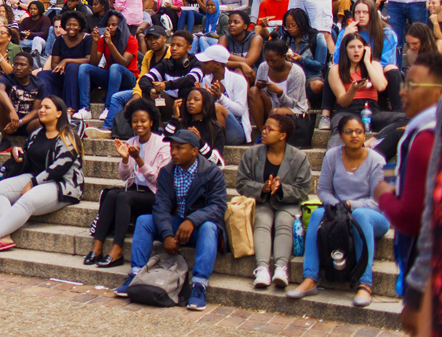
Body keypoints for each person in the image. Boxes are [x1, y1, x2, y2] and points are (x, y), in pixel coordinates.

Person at [114, 128, 227, 311]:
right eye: (172, 147)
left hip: (198, 226)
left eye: (179, 148)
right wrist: (167, 234)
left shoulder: (212, 173)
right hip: (175, 222)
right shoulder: (168, 171)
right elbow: (161, 205)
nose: (173, 152)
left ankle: (199, 285)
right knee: (144, 221)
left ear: (194, 150)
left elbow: (218, 207)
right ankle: (136, 275)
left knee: (209, 227)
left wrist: (192, 221)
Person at [286, 114, 388, 307]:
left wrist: (349, 206)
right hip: (339, 212)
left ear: (364, 135)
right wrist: (337, 207)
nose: (354, 136)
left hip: (373, 217)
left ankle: (365, 284)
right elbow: (323, 191)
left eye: (359, 132)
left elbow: (378, 202)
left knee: (359, 215)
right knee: (316, 214)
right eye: (348, 132)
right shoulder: (332, 156)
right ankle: (310, 278)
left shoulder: (376, 161)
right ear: (340, 135)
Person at [0, 96, 84, 254]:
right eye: (41, 107)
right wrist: (17, 152)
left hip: (63, 184)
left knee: (27, 199)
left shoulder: (68, 137)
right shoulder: (37, 133)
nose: (42, 110)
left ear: (59, 113)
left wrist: (33, 183)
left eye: (47, 107)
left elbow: (59, 168)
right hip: (35, 176)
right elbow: (29, 156)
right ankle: (5, 236)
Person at [373, 54, 442, 296]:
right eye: (403, 84)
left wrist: (383, 194)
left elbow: (410, 217)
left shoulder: (425, 138)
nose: (402, 93)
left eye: (411, 86)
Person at [84, 99, 169, 268]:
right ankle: (97, 246)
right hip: (134, 191)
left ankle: (116, 250)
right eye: (135, 121)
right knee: (113, 194)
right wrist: (124, 158)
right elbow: (124, 177)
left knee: (123, 197)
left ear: (151, 122)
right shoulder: (131, 142)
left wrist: (138, 159)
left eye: (143, 121)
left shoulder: (163, 145)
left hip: (154, 195)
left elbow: (158, 179)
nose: (139, 125)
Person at [236, 113, 313, 288]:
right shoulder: (252, 154)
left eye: (269, 129)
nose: (264, 131)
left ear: (282, 135)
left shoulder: (299, 158)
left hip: (287, 204)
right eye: (264, 127)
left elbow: (302, 191)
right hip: (262, 202)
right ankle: (262, 268)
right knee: (262, 221)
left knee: (284, 222)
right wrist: (261, 188)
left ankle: (281, 268)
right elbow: (241, 183)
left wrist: (281, 189)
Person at [75, 11, 137, 121]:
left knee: (115, 67)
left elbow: (123, 63)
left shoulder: (131, 40)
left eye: (114, 25)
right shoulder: (103, 40)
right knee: (84, 68)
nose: (110, 28)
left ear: (120, 25)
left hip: (129, 77)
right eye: (108, 25)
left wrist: (110, 44)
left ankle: (108, 108)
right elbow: (94, 62)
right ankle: (85, 108)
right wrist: (95, 42)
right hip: (111, 76)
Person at [248, 39, 309, 144]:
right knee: (253, 91)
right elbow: (260, 95)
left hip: (294, 109)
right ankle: (263, 132)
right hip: (272, 104)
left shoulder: (296, 73)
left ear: (283, 57)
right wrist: (259, 86)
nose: (270, 64)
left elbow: (292, 103)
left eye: (274, 61)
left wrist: (280, 93)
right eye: (267, 60)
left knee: (275, 112)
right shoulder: (263, 67)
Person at [193, 44, 250, 146]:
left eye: (206, 63)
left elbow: (240, 111)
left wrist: (220, 97)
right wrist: (203, 96)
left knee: (217, 108)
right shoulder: (205, 80)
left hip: (235, 131)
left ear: (217, 65)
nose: (202, 65)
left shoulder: (238, 80)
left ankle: (217, 147)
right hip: (209, 127)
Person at [36, 11, 92, 112]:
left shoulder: (87, 38)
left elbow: (89, 60)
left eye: (75, 25)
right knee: (42, 74)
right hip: (63, 73)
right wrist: (60, 67)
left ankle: (70, 107)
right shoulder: (60, 40)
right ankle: (50, 105)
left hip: (80, 76)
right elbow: (54, 64)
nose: (71, 27)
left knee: (72, 67)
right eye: (68, 24)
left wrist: (66, 61)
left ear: (80, 26)